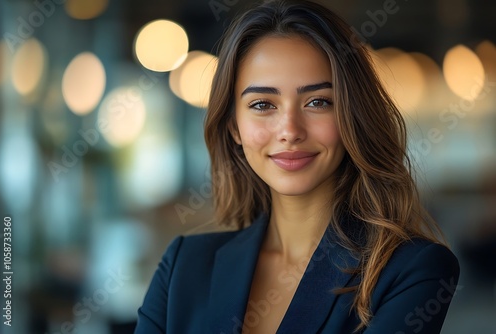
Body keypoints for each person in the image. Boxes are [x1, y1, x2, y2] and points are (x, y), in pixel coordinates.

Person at [135, 0, 460, 333]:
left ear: (353, 115)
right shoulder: (183, 266)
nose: (290, 130)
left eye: (317, 102)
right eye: (262, 104)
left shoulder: (412, 269)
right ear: (234, 126)